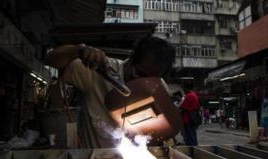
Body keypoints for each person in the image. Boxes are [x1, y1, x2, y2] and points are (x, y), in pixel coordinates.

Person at [45, 37, 175, 148]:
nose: (144, 83)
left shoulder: (159, 88)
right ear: (131, 59)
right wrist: (78, 50)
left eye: (153, 78)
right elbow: (50, 59)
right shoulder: (98, 71)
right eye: (140, 74)